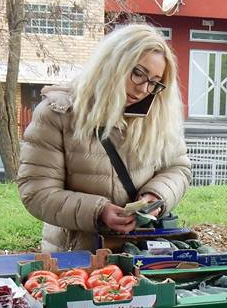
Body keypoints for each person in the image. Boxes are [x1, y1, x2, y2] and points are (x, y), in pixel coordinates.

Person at [17, 24, 192, 252]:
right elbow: (37, 192)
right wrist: (98, 211)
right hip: (77, 260)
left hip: (139, 251)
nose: (143, 89)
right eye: (138, 73)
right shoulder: (57, 113)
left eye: (154, 82)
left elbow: (178, 168)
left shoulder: (157, 115)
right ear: (113, 63)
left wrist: (154, 196)